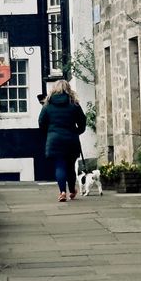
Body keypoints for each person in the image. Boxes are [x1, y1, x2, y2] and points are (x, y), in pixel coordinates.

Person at [38, 73, 86, 201]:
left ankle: (62, 192)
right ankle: (72, 191)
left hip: (55, 139)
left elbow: (41, 122)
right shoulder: (74, 104)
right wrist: (78, 131)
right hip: (71, 139)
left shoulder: (47, 105)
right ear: (68, 89)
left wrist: (49, 133)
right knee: (70, 166)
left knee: (60, 165)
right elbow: (82, 121)